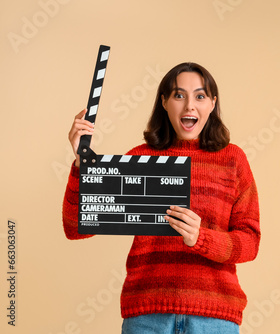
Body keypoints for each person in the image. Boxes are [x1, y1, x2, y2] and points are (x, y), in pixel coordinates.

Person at [62, 62, 260, 333]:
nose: (190, 105)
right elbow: (75, 227)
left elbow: (250, 242)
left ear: (212, 104)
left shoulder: (233, 160)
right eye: (179, 95)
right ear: (164, 102)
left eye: (200, 96)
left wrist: (200, 238)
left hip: (214, 319)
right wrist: (80, 165)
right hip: (147, 316)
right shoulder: (139, 160)